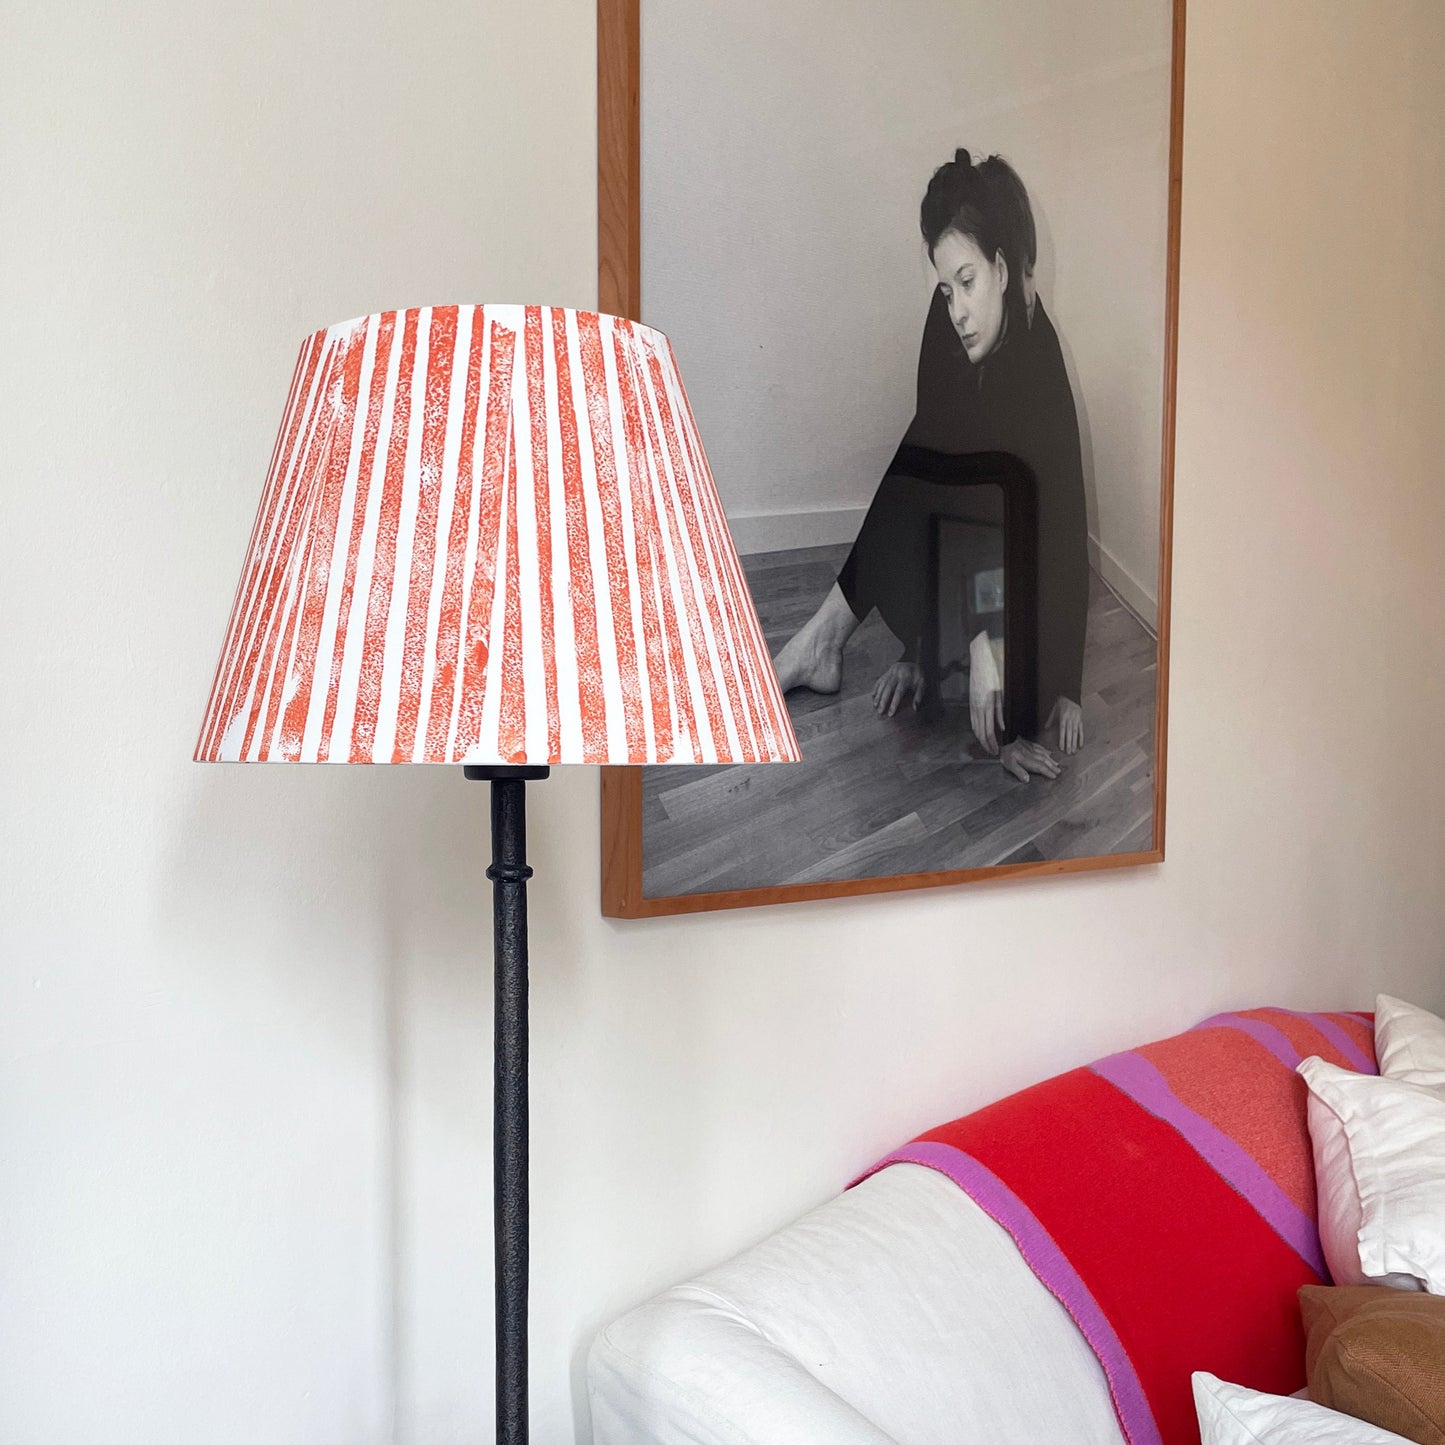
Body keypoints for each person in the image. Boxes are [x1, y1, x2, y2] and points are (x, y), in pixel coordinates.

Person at [771, 150, 1089, 783]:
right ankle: (824, 640)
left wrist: (1054, 686)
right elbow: (934, 489)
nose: (957, 310)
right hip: (967, 562)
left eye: (968, 283)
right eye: (946, 290)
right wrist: (928, 646)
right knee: (917, 458)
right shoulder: (948, 325)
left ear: (1003, 268)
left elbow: (1059, 533)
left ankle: (848, 645)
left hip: (1027, 582)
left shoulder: (1042, 371)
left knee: (1011, 714)